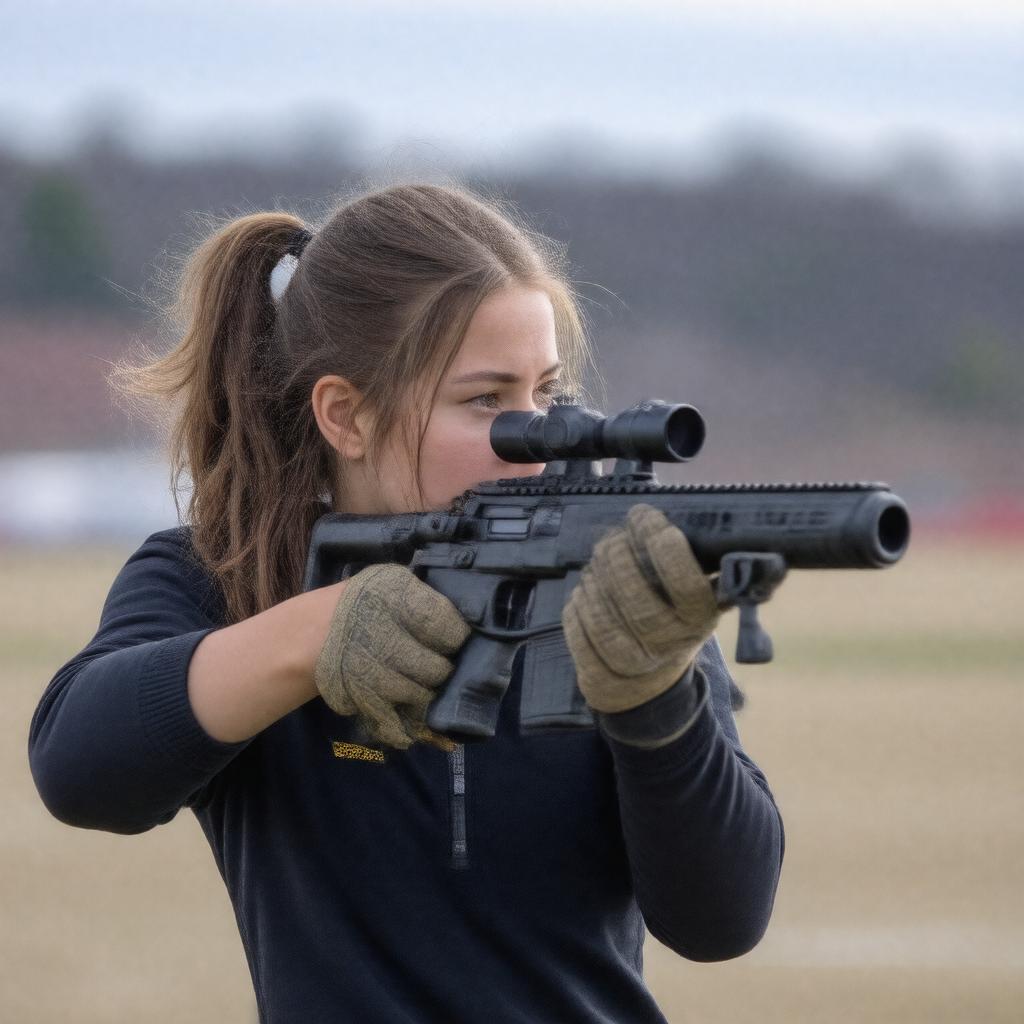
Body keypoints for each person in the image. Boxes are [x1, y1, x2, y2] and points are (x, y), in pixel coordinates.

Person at [28, 182, 784, 1023]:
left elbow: (722, 920)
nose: (532, 442)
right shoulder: (233, 579)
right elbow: (81, 771)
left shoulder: (607, 590)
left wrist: (657, 699)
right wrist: (317, 635)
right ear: (346, 416)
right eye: (485, 400)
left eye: (544, 393)